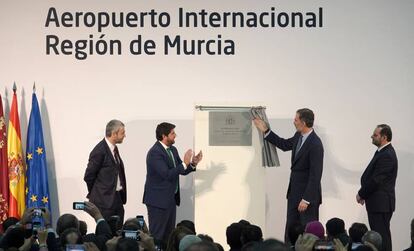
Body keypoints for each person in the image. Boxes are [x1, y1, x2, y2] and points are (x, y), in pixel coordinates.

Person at [253, 108, 324, 244]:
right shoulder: (299, 136)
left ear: (303, 122)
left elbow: (316, 175)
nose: (294, 122)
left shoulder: (315, 144)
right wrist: (266, 131)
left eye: (296, 120)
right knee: (291, 231)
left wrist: (306, 199)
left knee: (307, 234)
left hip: (306, 199)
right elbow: (284, 144)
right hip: (294, 194)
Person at [143, 122, 202, 245]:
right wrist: (184, 164)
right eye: (172, 133)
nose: (176, 135)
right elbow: (167, 174)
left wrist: (192, 164)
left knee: (169, 236)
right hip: (158, 202)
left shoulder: (173, 150)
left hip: (170, 199)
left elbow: (181, 170)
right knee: (158, 236)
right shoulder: (155, 152)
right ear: (164, 136)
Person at [356, 124, 397, 251]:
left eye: (375, 135)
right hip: (378, 203)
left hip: (381, 204)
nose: (372, 136)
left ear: (384, 137)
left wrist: (362, 194)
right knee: (380, 236)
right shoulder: (383, 152)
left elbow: (376, 180)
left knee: (381, 237)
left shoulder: (387, 155)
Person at [84, 119, 127, 223]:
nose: (124, 136)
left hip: (116, 198)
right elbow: (88, 176)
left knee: (118, 232)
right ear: (113, 134)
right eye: (122, 133)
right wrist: (99, 193)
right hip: (104, 201)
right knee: (106, 234)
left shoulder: (114, 149)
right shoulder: (99, 151)